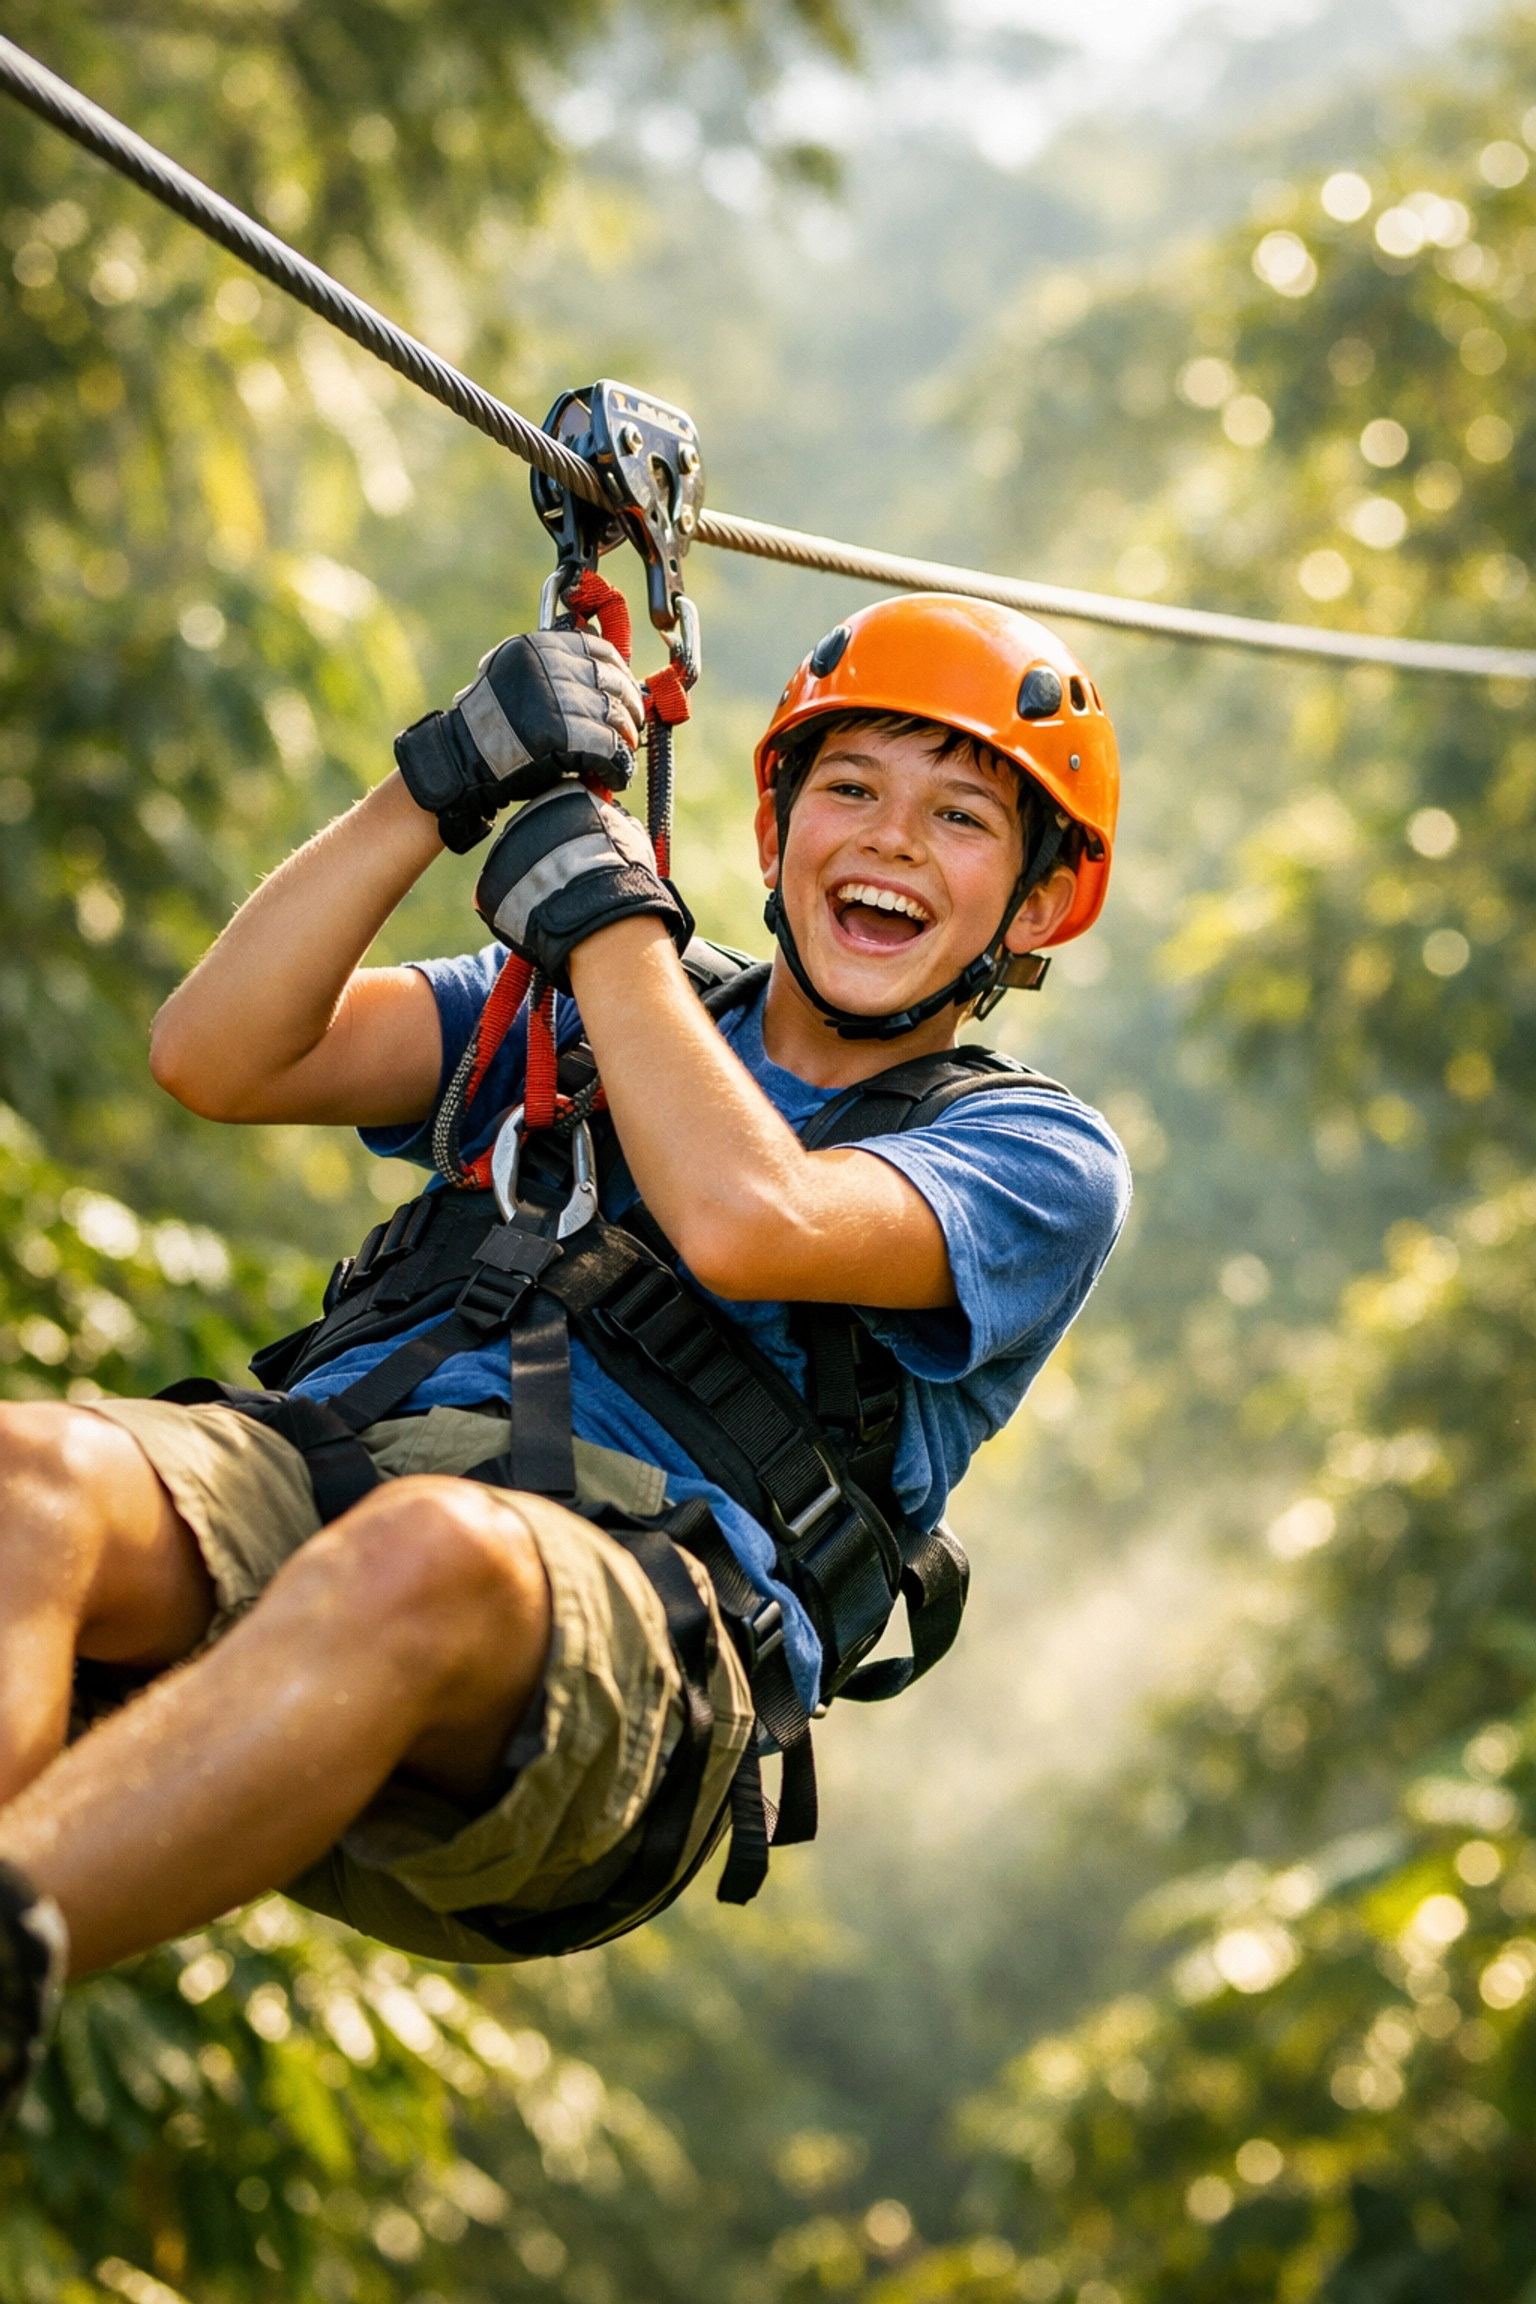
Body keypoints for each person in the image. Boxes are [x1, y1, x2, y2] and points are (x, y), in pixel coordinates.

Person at [0, 590, 1130, 2123]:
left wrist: (608, 928)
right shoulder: (586, 1006)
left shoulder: (1029, 1152)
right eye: (850, 789)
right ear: (776, 823)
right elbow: (219, 1051)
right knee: (34, 1473)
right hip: (332, 1492)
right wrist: (438, 782)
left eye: (963, 817)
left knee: (428, 1555)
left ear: (1041, 905)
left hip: (616, 1666)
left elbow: (751, 1217)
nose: (890, 842)